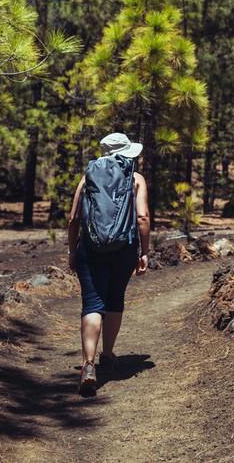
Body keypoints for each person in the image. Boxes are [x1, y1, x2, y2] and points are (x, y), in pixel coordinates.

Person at [67, 132, 151, 395]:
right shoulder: (136, 179)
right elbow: (143, 217)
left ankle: (88, 364)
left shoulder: (87, 177)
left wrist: (73, 250)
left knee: (92, 303)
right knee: (115, 298)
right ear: (126, 153)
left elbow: (73, 220)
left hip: (89, 249)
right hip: (123, 250)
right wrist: (144, 251)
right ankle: (108, 353)